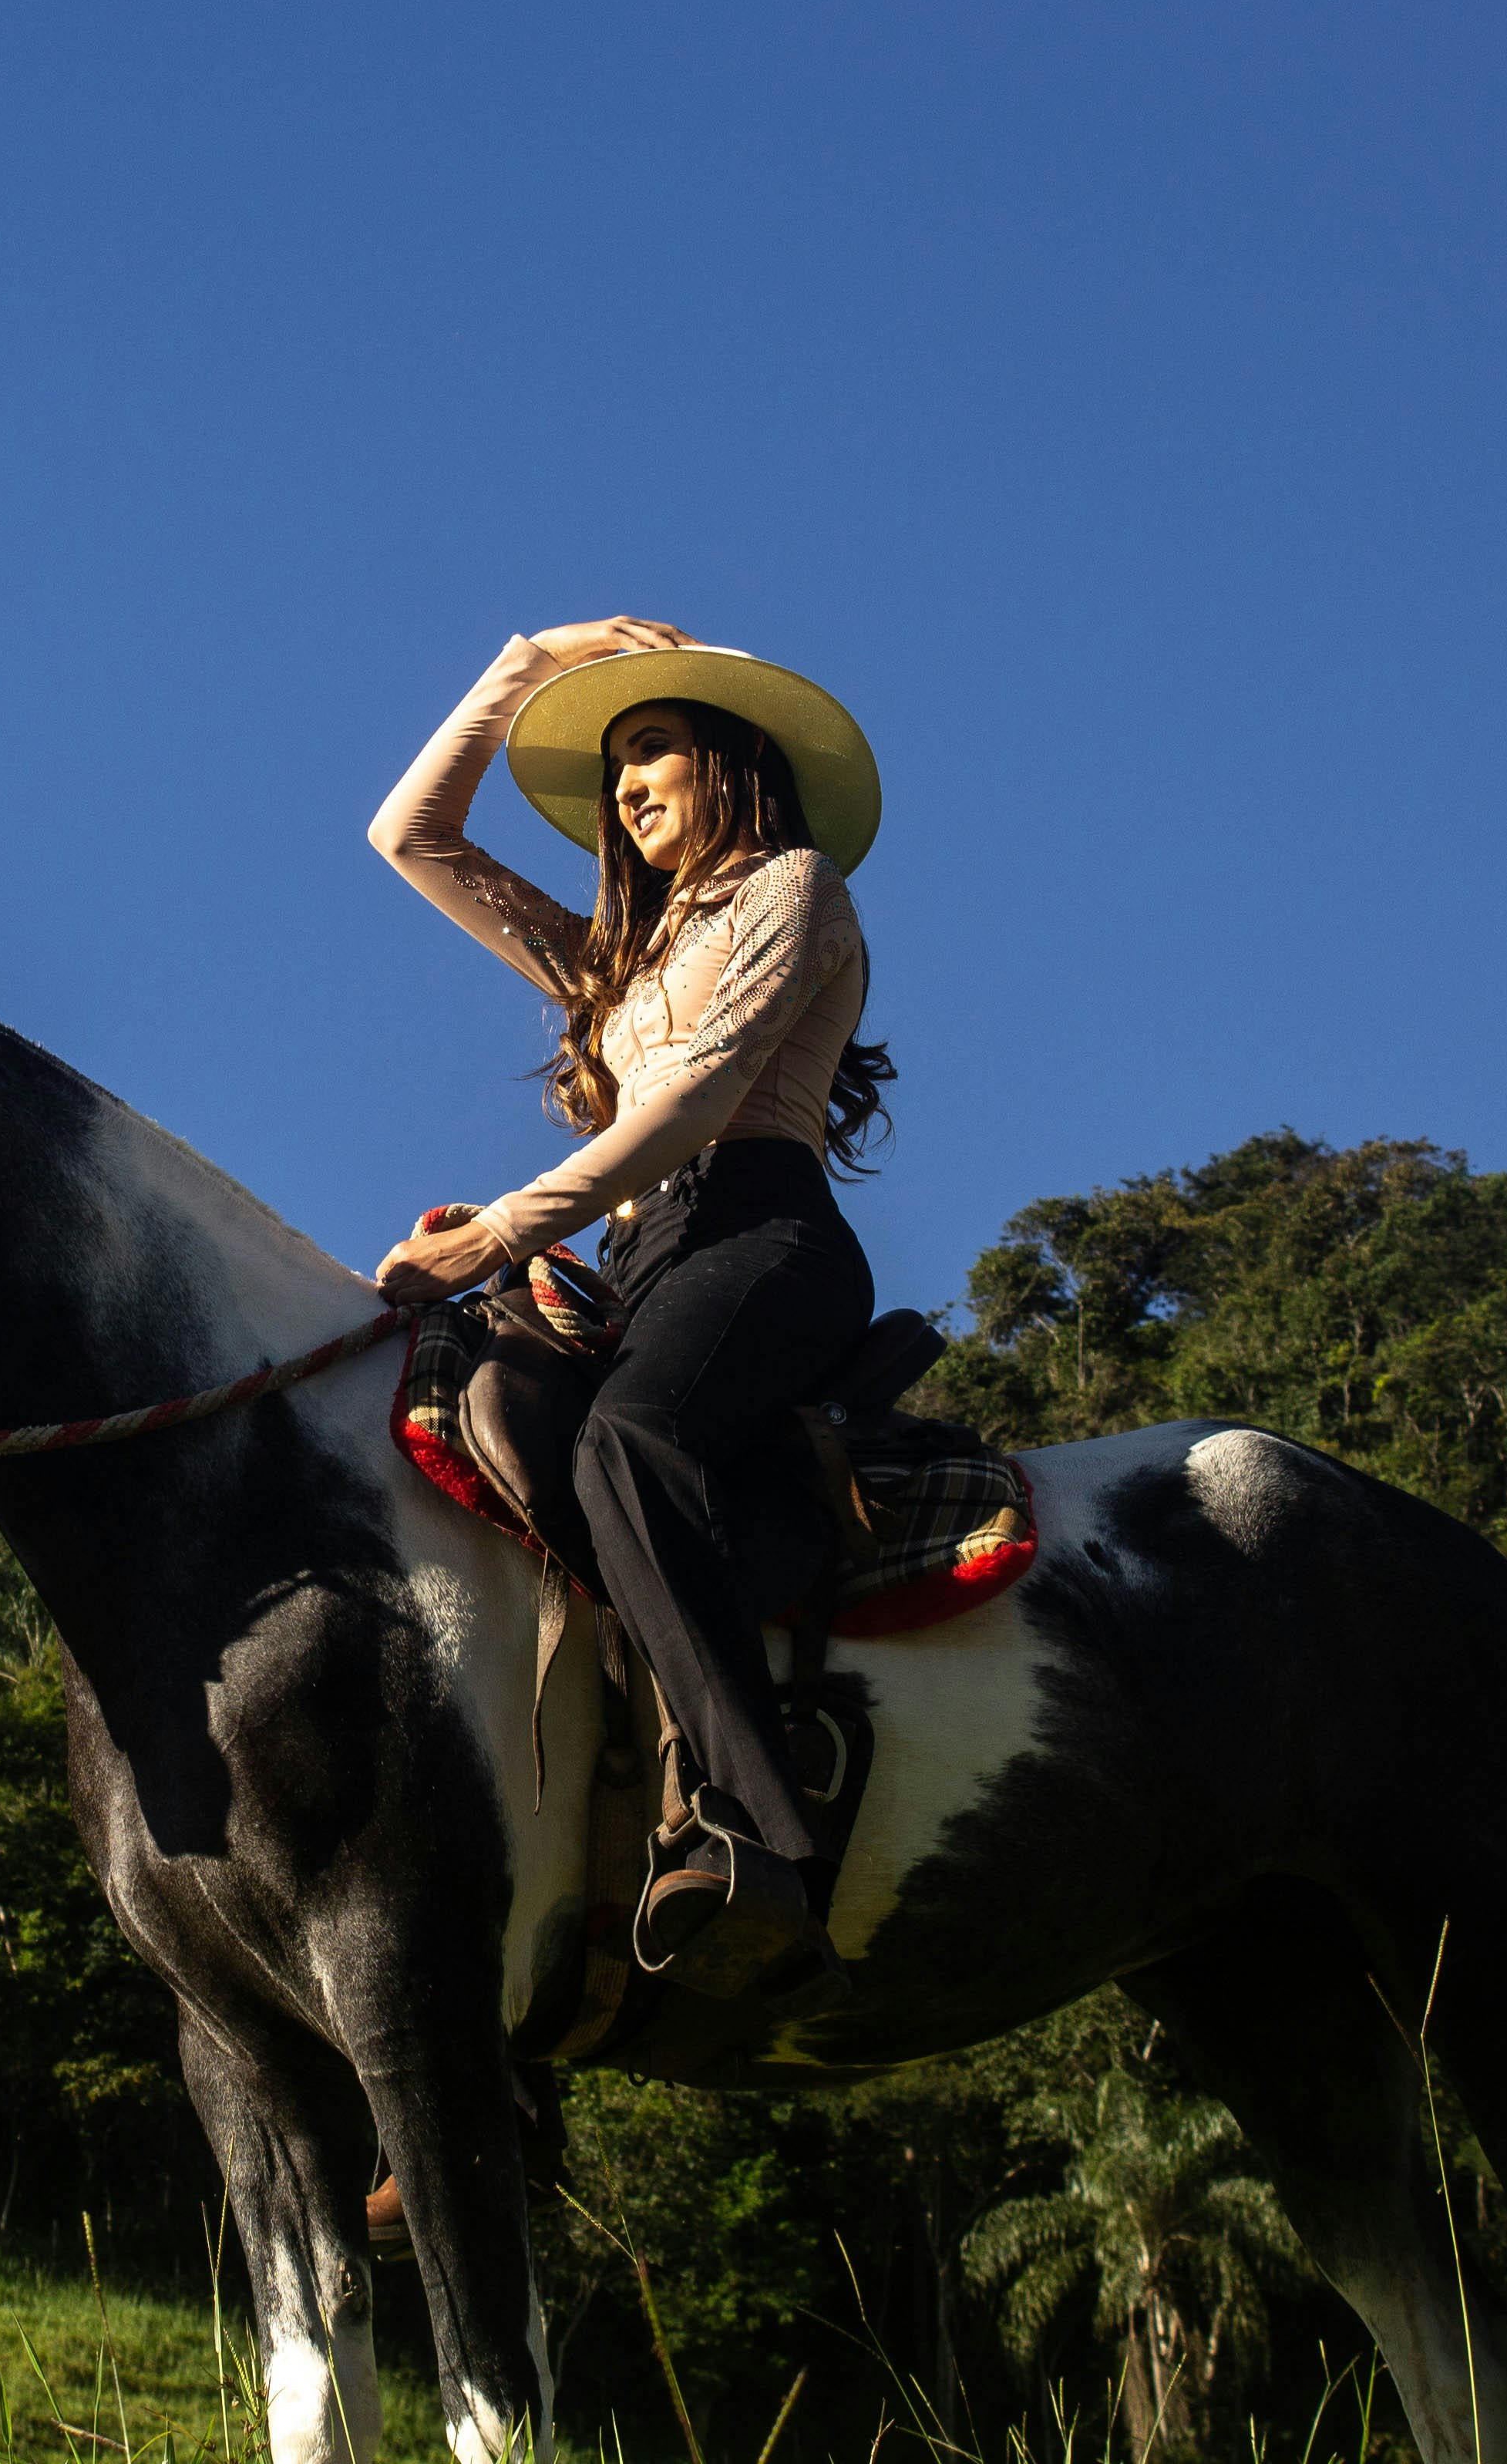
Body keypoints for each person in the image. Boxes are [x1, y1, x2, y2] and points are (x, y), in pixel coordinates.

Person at [367, 616, 893, 1999]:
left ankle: (759, 1829)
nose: (625, 788)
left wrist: (500, 1229)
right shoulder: (616, 962)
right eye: (613, 768)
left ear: (735, 762)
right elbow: (411, 840)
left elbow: (704, 1099)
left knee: (629, 1442)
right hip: (645, 1253)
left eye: (652, 748)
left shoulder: (797, 885)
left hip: (765, 1234)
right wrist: (520, 666)